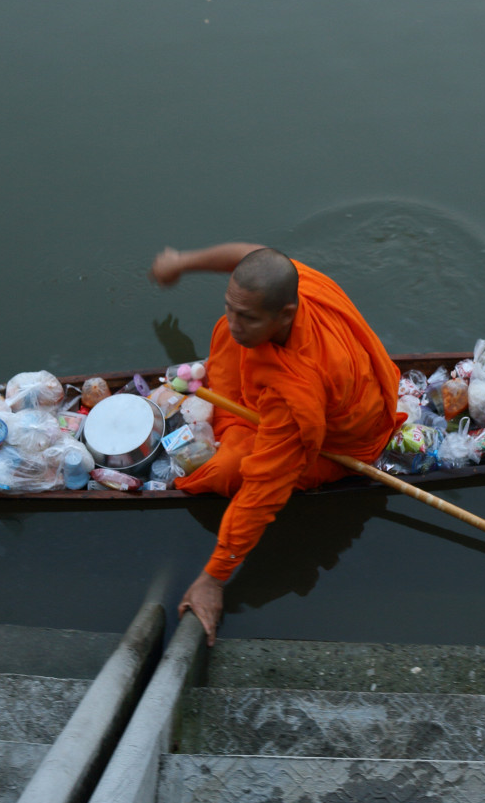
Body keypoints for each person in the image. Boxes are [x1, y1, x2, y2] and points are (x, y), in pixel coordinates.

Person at [149, 243, 402, 643]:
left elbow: (263, 492)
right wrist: (183, 262)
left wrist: (213, 579)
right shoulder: (291, 283)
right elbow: (247, 256)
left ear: (287, 313)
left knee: (224, 473)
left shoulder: (294, 393)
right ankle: (239, 416)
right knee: (232, 346)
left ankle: (240, 429)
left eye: (246, 317)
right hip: (321, 390)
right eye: (230, 308)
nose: (233, 322)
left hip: (346, 442)